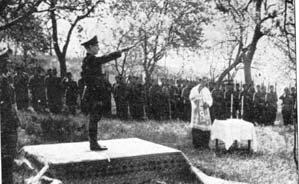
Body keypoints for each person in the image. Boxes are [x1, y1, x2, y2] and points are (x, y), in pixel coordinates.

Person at [81, 35, 130, 151]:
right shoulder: (90, 59)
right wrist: (119, 52)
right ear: (90, 47)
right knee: (94, 118)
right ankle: (93, 144)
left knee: (95, 118)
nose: (98, 48)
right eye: (96, 46)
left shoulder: (89, 59)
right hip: (93, 93)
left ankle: (93, 143)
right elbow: (104, 58)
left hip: (92, 92)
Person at [0, 43, 19, 184]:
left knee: (8, 157)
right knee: (5, 157)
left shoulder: (5, 78)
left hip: (9, 122)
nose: (8, 63)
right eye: (5, 60)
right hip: (4, 124)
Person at [189, 77, 213, 149]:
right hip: (196, 110)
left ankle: (205, 144)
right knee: (196, 128)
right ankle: (197, 145)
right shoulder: (194, 89)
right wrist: (196, 101)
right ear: (200, 81)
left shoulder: (207, 90)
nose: (204, 83)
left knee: (205, 127)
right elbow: (191, 97)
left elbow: (210, 99)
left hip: (204, 110)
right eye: (203, 81)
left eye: (206, 81)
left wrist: (208, 104)